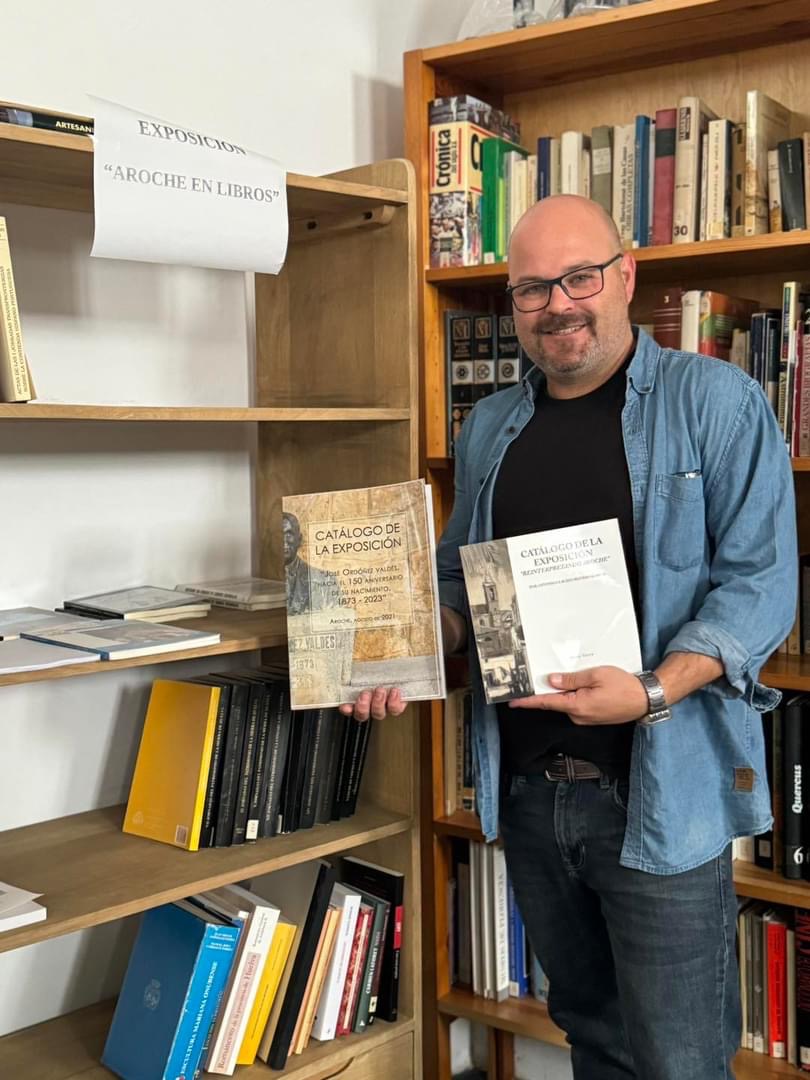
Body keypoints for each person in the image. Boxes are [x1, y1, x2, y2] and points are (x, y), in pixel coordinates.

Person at [344, 193, 797, 1079]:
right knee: (592, 1039)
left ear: (626, 277)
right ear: (513, 302)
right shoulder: (488, 428)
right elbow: (458, 581)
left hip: (659, 793)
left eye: (579, 278)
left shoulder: (717, 402)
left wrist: (653, 690)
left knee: (680, 1063)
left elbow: (760, 586)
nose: (557, 305)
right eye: (532, 289)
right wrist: (409, 643)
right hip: (529, 792)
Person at [282, 510, 342, 615]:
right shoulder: (261, 584)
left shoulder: (326, 580)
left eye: (288, 535)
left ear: (299, 539)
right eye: (277, 535)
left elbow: (339, 622)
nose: (283, 541)